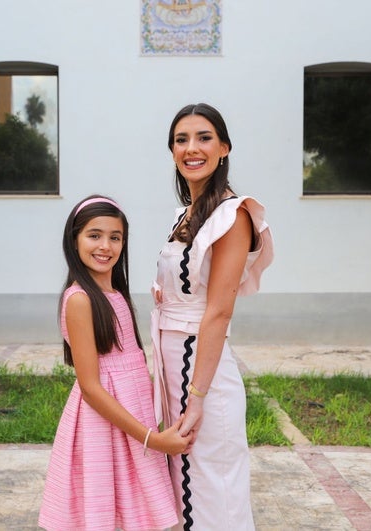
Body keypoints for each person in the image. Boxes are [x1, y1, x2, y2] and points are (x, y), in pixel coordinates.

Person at [150, 104, 274, 530]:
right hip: (173, 366)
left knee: (212, 488)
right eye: (181, 140)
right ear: (171, 151)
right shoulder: (181, 215)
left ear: (224, 147)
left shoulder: (233, 215)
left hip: (201, 371)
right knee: (185, 487)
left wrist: (197, 398)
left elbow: (219, 311)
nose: (192, 148)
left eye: (203, 137)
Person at [39, 195, 192, 531]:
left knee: (133, 509)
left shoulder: (115, 294)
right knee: (104, 512)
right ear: (74, 239)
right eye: (94, 235)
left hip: (130, 416)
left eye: (115, 237)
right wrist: (151, 438)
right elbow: (92, 388)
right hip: (104, 423)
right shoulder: (80, 300)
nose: (105, 245)